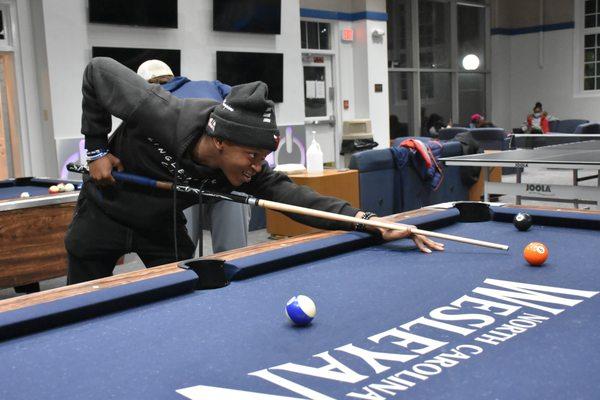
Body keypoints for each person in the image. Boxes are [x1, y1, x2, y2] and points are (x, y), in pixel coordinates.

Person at [65, 57, 443, 284]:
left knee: (193, 294)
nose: (257, 167)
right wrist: (97, 148)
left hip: (161, 222)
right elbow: (98, 71)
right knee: (71, 308)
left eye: (264, 157)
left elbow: (299, 200)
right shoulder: (166, 114)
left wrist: (370, 221)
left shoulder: (248, 168)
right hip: (104, 211)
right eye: (251, 156)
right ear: (220, 142)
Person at [136, 59, 249, 254]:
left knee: (183, 255)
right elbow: (244, 105)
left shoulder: (148, 100)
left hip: (184, 178)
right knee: (234, 254)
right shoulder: (212, 85)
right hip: (227, 172)